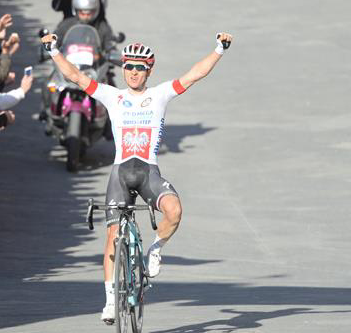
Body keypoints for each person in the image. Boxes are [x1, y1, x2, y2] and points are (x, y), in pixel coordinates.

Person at [41, 31, 233, 323]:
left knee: (175, 210)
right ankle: (108, 302)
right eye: (128, 66)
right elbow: (75, 76)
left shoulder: (160, 95)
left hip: (148, 173)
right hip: (120, 173)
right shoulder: (112, 95)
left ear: (149, 70)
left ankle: (155, 250)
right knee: (112, 236)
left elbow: (195, 74)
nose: (132, 72)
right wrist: (54, 49)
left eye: (139, 67)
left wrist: (219, 49)